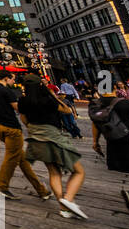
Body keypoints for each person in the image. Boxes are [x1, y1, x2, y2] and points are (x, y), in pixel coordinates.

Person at [18, 76, 87, 219]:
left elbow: (24, 119)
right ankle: (68, 200)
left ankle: (64, 208)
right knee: (78, 171)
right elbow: (67, 110)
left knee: (54, 173)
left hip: (36, 138)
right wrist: (52, 95)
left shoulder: (23, 101)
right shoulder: (48, 99)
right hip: (54, 137)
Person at [0, 72, 52, 201]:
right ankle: (2, 187)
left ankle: (42, 190)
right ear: (6, 78)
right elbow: (17, 108)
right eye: (13, 79)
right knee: (11, 158)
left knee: (21, 160)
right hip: (11, 128)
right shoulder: (7, 91)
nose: (14, 81)